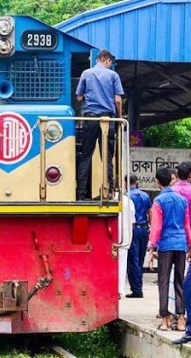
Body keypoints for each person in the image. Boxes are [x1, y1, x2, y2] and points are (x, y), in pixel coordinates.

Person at [75, 49, 124, 200]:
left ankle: (81, 194)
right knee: (107, 157)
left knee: (85, 156)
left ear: (98, 59)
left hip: (90, 119)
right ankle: (107, 191)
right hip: (107, 120)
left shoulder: (86, 73)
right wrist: (119, 118)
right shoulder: (113, 75)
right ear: (108, 60)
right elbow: (117, 100)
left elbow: (79, 97)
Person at [147, 167, 191, 331]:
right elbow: (187, 226)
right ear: (171, 179)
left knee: (164, 282)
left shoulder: (159, 201)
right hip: (181, 244)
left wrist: (152, 247)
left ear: (158, 182)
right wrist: (190, 245)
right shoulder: (182, 200)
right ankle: (181, 320)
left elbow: (156, 227)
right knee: (180, 282)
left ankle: (165, 320)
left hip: (166, 245)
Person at [126, 174, 152, 298]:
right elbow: (150, 212)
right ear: (136, 182)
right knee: (140, 259)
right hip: (144, 229)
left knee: (133, 260)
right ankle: (138, 286)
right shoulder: (145, 195)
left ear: (126, 182)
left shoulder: (126, 196)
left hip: (133, 229)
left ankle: (137, 289)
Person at [118, 189, 136, 299]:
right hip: (124, 237)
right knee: (122, 263)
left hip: (111, 235)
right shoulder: (128, 201)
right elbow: (133, 222)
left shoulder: (112, 200)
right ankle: (119, 290)